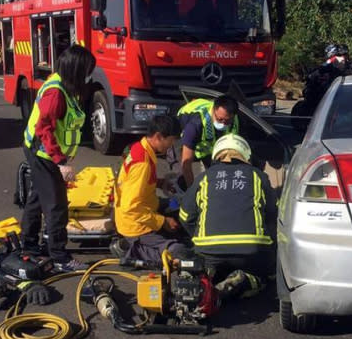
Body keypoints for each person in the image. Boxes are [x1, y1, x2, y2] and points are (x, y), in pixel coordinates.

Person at [21, 44, 96, 272]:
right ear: (76, 70)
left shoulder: (64, 86)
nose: (88, 75)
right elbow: (45, 129)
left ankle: (30, 245)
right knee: (56, 205)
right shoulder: (56, 93)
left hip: (45, 152)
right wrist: (61, 162)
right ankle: (60, 256)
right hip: (43, 153)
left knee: (37, 197)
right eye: (86, 70)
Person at [179, 133, 277, 300]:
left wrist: (198, 235)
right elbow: (273, 213)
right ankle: (245, 280)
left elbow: (185, 215)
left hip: (209, 250)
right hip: (251, 251)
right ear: (246, 155)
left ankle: (206, 276)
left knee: (199, 265)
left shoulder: (205, 178)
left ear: (217, 154)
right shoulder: (259, 176)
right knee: (266, 275)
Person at [114, 114, 190, 264]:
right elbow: (131, 208)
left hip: (147, 206)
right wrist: (162, 221)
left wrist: (159, 183)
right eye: (171, 141)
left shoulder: (140, 149)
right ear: (159, 136)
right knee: (178, 251)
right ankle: (127, 248)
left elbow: (135, 183)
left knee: (176, 205)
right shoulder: (142, 164)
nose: (171, 146)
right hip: (135, 225)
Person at [172, 95, 240, 190]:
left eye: (227, 121)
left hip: (208, 145)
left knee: (217, 173)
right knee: (182, 175)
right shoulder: (195, 126)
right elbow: (186, 164)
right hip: (182, 132)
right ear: (214, 111)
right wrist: (192, 193)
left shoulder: (235, 119)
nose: (223, 124)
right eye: (220, 119)